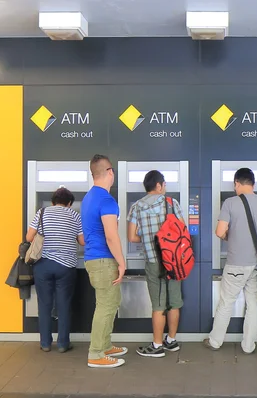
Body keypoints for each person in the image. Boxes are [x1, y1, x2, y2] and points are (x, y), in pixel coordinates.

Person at [203, 168, 257, 354]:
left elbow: (220, 232)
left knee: (227, 302)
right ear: (253, 184)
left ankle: (215, 341)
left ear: (236, 183)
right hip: (256, 263)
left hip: (236, 263)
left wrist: (231, 238)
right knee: (253, 304)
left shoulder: (230, 203)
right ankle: (248, 346)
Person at [127, 170, 186, 357]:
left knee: (158, 304)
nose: (165, 187)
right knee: (174, 302)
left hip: (154, 261)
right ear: (159, 185)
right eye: (165, 184)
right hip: (174, 261)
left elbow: (131, 237)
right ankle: (171, 340)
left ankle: (157, 345)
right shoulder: (172, 203)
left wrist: (147, 239)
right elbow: (182, 230)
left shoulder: (136, 207)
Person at [82, 154, 128, 368]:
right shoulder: (106, 200)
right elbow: (111, 235)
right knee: (106, 306)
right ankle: (96, 353)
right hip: (103, 260)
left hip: (94, 258)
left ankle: (105, 344)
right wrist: (122, 262)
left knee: (110, 303)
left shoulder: (89, 198)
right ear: (110, 172)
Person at [26, 187, 83, 353]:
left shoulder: (42, 212)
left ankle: (45, 343)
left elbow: (29, 237)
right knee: (64, 304)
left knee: (44, 304)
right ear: (70, 203)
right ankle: (63, 344)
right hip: (66, 266)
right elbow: (82, 241)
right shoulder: (75, 215)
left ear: (52, 201)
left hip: (43, 264)